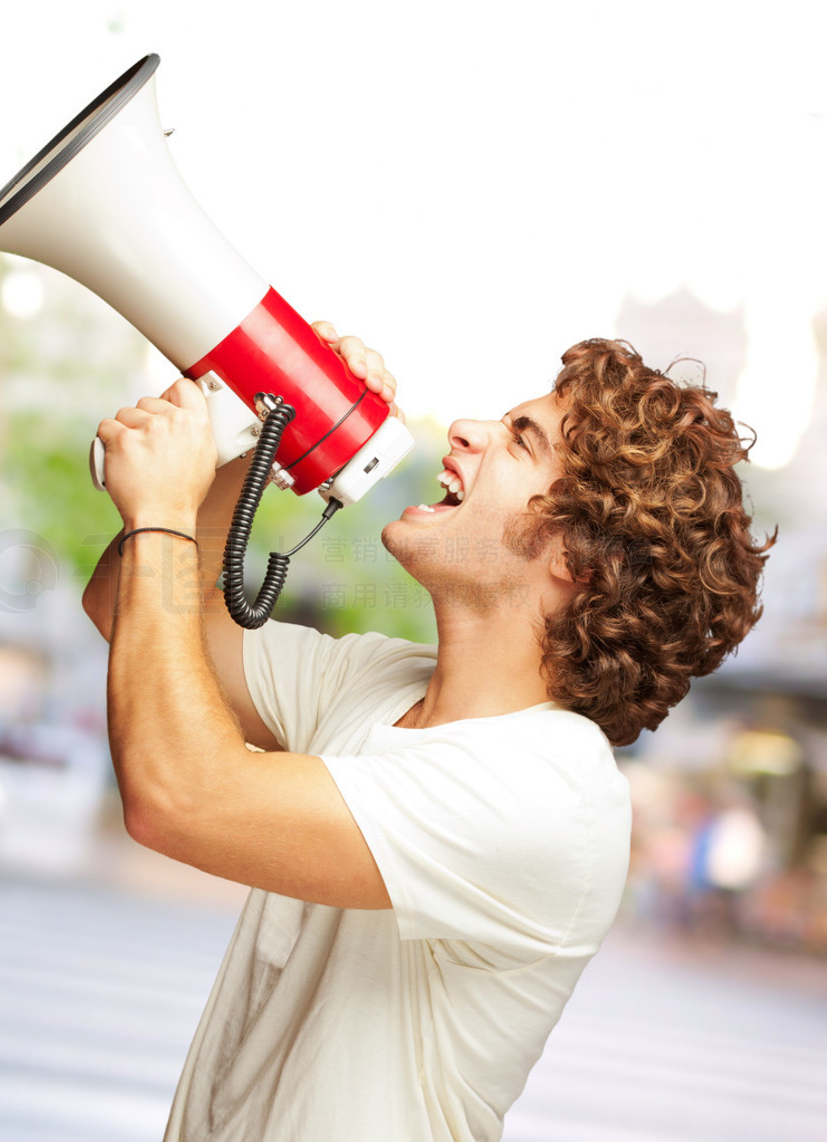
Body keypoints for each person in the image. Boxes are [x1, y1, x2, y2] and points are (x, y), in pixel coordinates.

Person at [83, 326, 773, 1141]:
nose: (467, 431)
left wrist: (164, 508)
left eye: (520, 441)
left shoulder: (549, 794)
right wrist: (259, 416)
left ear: (578, 560)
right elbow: (129, 608)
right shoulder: (383, 681)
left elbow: (178, 796)